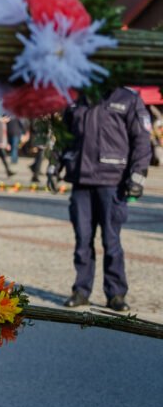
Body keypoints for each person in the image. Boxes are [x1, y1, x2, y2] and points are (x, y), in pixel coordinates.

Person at [61, 87, 152, 311]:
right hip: (81, 180)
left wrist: (137, 176)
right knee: (82, 240)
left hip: (112, 182)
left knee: (111, 242)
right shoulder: (76, 98)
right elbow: (64, 137)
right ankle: (81, 291)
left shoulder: (128, 99)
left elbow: (141, 140)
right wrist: (55, 165)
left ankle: (116, 294)